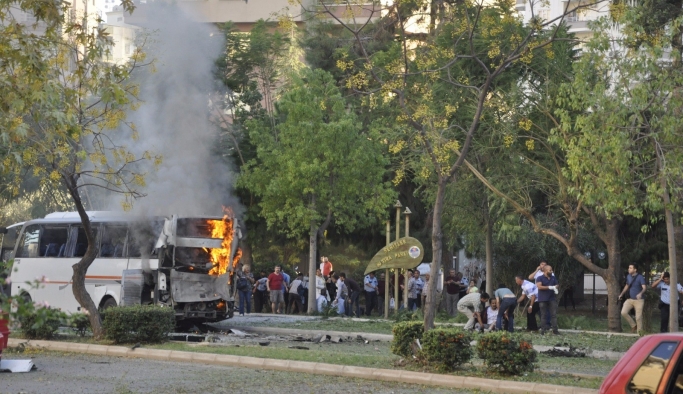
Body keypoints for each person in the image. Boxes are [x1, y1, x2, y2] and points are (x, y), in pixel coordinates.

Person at [619, 263, 647, 333]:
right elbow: (627, 286)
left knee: (638, 317)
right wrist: (621, 294)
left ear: (635, 270)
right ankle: (634, 325)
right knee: (623, 312)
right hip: (630, 299)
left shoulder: (640, 277)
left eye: (630, 268)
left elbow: (644, 288)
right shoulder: (628, 276)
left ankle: (639, 333)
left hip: (639, 300)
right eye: (629, 268)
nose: (629, 269)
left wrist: (640, 293)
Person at [536, 265, 560, 335]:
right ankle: (543, 330)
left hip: (552, 298)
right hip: (543, 299)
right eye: (550, 270)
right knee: (543, 315)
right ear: (545, 270)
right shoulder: (540, 278)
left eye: (551, 270)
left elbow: (557, 284)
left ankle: (555, 330)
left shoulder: (553, 277)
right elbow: (539, 287)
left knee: (554, 315)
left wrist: (555, 287)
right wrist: (549, 287)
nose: (551, 271)